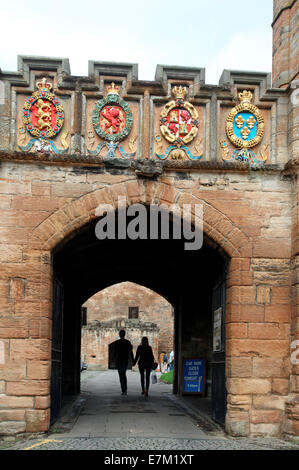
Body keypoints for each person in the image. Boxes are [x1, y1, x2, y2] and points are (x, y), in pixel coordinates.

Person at [114, 330, 134, 395]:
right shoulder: (127, 342)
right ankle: (124, 390)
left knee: (121, 375)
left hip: (119, 360)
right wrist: (133, 360)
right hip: (125, 360)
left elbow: (114, 353)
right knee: (123, 374)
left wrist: (115, 360)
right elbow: (131, 352)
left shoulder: (117, 343)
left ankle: (123, 390)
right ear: (124, 334)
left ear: (119, 334)